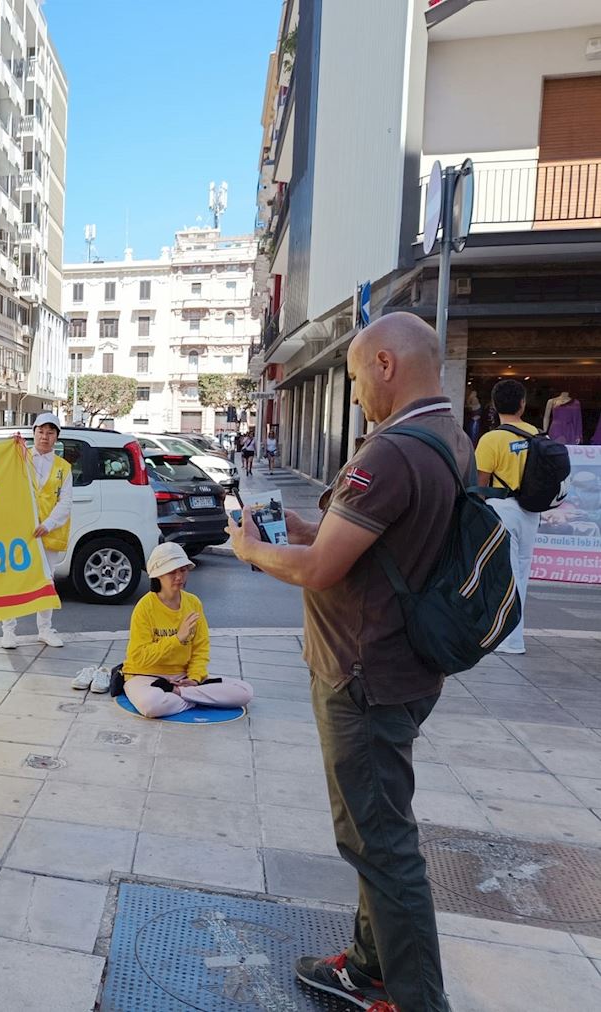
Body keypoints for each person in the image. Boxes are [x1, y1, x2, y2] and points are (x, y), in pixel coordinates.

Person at [226, 312, 460, 1012]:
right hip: (400, 666)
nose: (356, 394)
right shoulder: (449, 438)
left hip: (363, 674)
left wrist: (251, 549)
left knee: (381, 845)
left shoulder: (391, 452)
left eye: (357, 378)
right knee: (372, 833)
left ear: (387, 364)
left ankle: (415, 999)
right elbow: (370, 543)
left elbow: (320, 569)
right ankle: (368, 967)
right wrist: (310, 527)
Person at [117, 542, 253, 716]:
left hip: (182, 678)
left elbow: (201, 648)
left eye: (183, 570)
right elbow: (139, 657)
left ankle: (180, 694)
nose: (179, 577)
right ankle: (197, 699)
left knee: (244, 691)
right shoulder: (145, 607)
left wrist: (195, 678)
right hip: (144, 676)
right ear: (158, 575)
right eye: (171, 572)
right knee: (151, 705)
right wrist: (177, 639)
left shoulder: (193, 603)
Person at [475, 379, 539, 655]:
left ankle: (507, 639)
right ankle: (516, 637)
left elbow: (480, 483)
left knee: (503, 575)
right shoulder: (538, 435)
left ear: (493, 405)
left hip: (502, 510)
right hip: (531, 512)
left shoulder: (491, 439)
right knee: (521, 574)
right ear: (522, 404)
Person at [1, 412, 72, 650]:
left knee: (46, 580)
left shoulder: (63, 467)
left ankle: (45, 629)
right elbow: (4, 480)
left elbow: (66, 502)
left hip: (47, 532)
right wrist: (9, 446)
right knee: (13, 578)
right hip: (20, 531)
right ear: (34, 433)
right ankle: (8, 631)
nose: (45, 436)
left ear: (57, 437)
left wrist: (48, 524)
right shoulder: (20, 458)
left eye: (50, 432)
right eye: (41, 431)